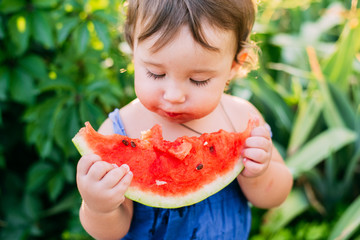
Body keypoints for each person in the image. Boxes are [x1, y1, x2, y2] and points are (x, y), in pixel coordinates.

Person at [76, 0, 293, 239]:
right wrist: (99, 207)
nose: (174, 96)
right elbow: (111, 232)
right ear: (133, 49)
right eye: (156, 73)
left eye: (198, 79)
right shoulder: (120, 131)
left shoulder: (242, 119)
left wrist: (259, 175)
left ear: (234, 65)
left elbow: (275, 196)